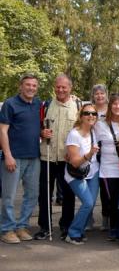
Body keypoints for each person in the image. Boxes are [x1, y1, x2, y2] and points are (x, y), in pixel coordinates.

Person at [0, 74, 44, 244]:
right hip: (14, 157)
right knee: (9, 196)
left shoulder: (37, 104)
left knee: (32, 195)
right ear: (21, 86)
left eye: (34, 85)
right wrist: (8, 155)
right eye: (28, 85)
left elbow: (34, 129)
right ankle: (7, 229)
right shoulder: (10, 104)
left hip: (34, 157)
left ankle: (22, 226)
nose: (31, 88)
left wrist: (42, 133)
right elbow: (3, 131)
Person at [34, 74, 78, 241]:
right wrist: (41, 132)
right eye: (58, 87)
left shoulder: (78, 107)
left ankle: (66, 226)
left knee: (68, 195)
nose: (60, 90)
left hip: (67, 158)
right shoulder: (45, 106)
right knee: (44, 194)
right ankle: (45, 227)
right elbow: (36, 128)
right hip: (47, 157)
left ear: (70, 88)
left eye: (64, 87)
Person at [63, 103, 100, 245]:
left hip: (93, 172)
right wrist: (89, 154)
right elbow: (74, 163)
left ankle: (80, 230)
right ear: (81, 116)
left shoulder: (93, 131)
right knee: (88, 203)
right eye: (87, 113)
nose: (90, 116)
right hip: (76, 174)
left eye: (93, 114)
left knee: (89, 205)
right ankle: (72, 233)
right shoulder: (74, 134)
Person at [95, 94, 119, 241]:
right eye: (115, 104)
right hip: (107, 169)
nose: (118, 107)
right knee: (112, 200)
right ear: (110, 106)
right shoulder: (100, 124)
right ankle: (114, 228)